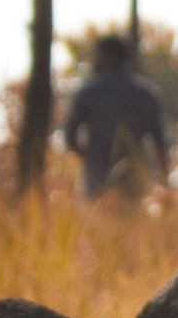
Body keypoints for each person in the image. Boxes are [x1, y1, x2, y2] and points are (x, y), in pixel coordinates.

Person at [62, 34, 168, 199]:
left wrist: (89, 156)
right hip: (134, 180)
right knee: (132, 223)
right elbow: (160, 143)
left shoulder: (87, 93)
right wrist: (165, 182)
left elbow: (69, 136)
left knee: (97, 223)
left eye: (96, 54)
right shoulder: (146, 95)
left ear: (106, 56)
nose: (93, 60)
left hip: (96, 180)